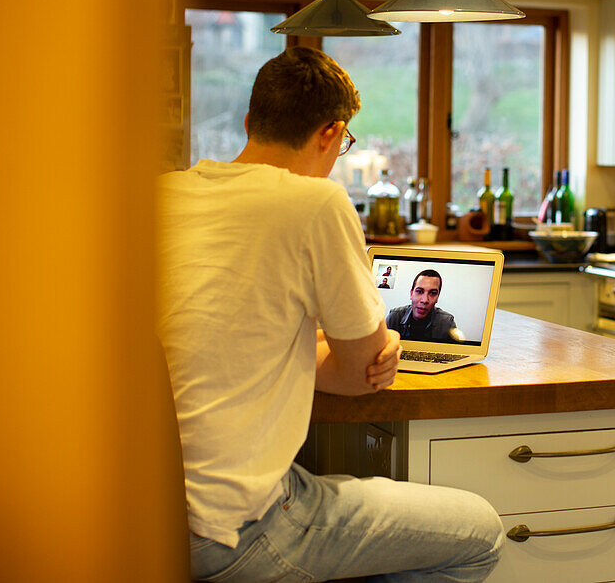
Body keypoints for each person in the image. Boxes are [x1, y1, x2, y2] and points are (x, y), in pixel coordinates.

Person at [157, 47, 502, 582]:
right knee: (480, 533)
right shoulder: (315, 202)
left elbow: (231, 339)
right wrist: (357, 346)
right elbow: (360, 374)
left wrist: (308, 343)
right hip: (235, 529)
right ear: (331, 133)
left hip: (138, 522)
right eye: (344, 143)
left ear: (250, 122)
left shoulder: (163, 193)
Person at [386, 270, 458, 341]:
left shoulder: (447, 322)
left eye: (432, 293)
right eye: (419, 291)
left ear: (437, 297)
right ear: (411, 294)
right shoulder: (394, 317)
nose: (425, 300)